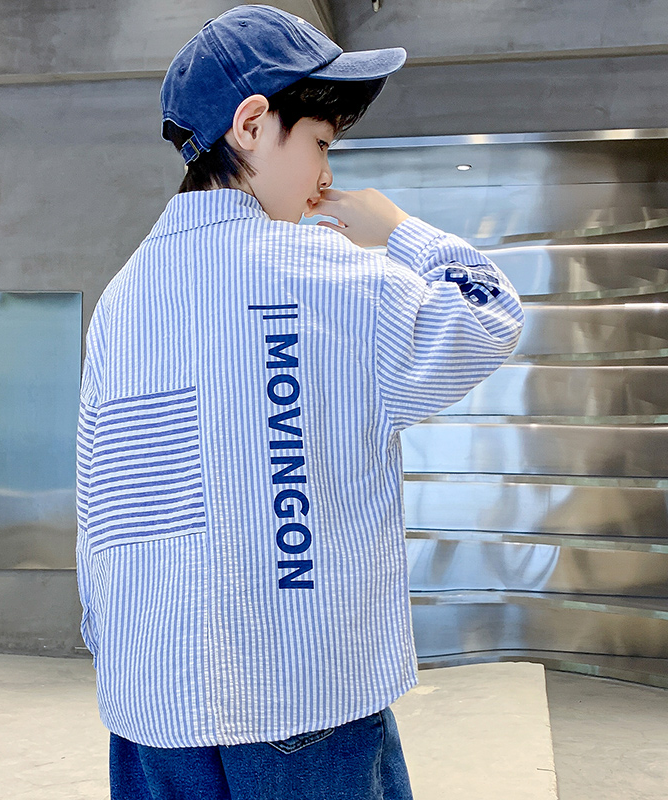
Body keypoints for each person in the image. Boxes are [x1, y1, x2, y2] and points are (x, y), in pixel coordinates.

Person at [75, 5, 524, 799]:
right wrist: (400, 229)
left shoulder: (123, 297)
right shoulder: (329, 274)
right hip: (300, 694)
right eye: (320, 142)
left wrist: (114, 645)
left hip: (149, 704)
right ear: (252, 125)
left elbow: (99, 501)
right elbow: (488, 315)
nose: (325, 173)